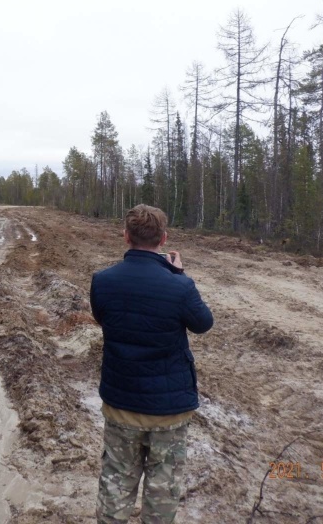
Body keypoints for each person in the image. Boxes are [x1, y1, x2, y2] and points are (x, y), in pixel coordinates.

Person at [90, 204, 213, 523]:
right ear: (164, 238)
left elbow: (103, 318)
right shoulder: (180, 286)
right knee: (162, 494)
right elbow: (203, 323)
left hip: (121, 405)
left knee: (115, 486)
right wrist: (179, 274)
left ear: (126, 236)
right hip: (168, 412)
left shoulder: (103, 282)